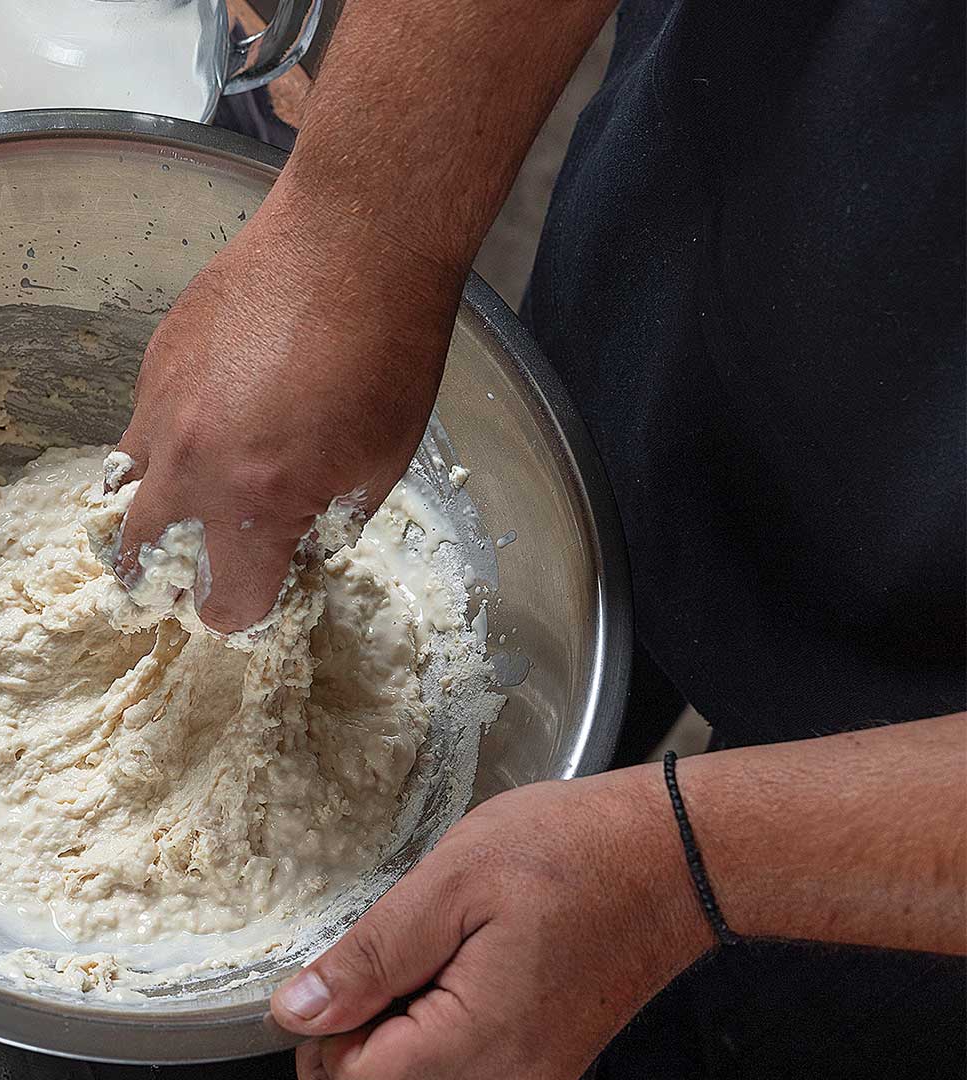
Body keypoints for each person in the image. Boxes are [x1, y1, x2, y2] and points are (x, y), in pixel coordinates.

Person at [112, 0, 966, 1076]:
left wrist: (686, 871)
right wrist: (354, 225)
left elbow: (645, 880)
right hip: (721, 214)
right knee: (582, 604)